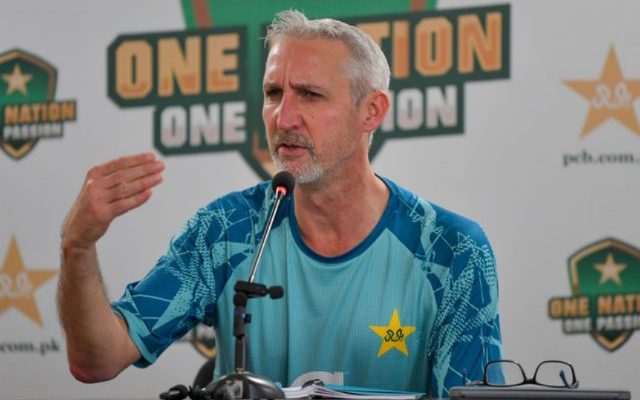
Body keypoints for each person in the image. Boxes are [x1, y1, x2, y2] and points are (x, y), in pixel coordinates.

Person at [57, 9, 502, 398]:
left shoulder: (452, 250)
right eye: (273, 94)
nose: (283, 118)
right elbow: (97, 361)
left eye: (309, 94)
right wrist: (76, 248)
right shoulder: (226, 230)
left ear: (372, 111)